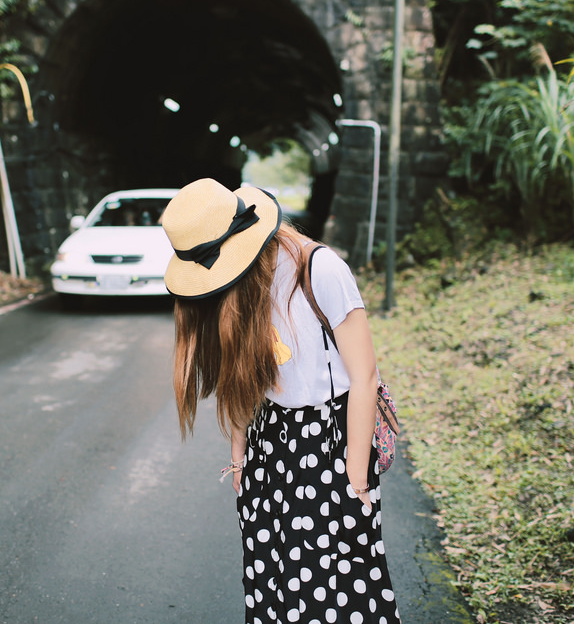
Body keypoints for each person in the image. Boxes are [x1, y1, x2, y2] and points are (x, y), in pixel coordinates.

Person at [162, 178, 401, 624]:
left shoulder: (320, 270)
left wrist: (356, 478)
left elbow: (365, 377)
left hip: (331, 438)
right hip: (270, 442)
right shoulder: (239, 284)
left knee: (337, 588)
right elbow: (243, 374)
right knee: (272, 578)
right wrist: (239, 451)